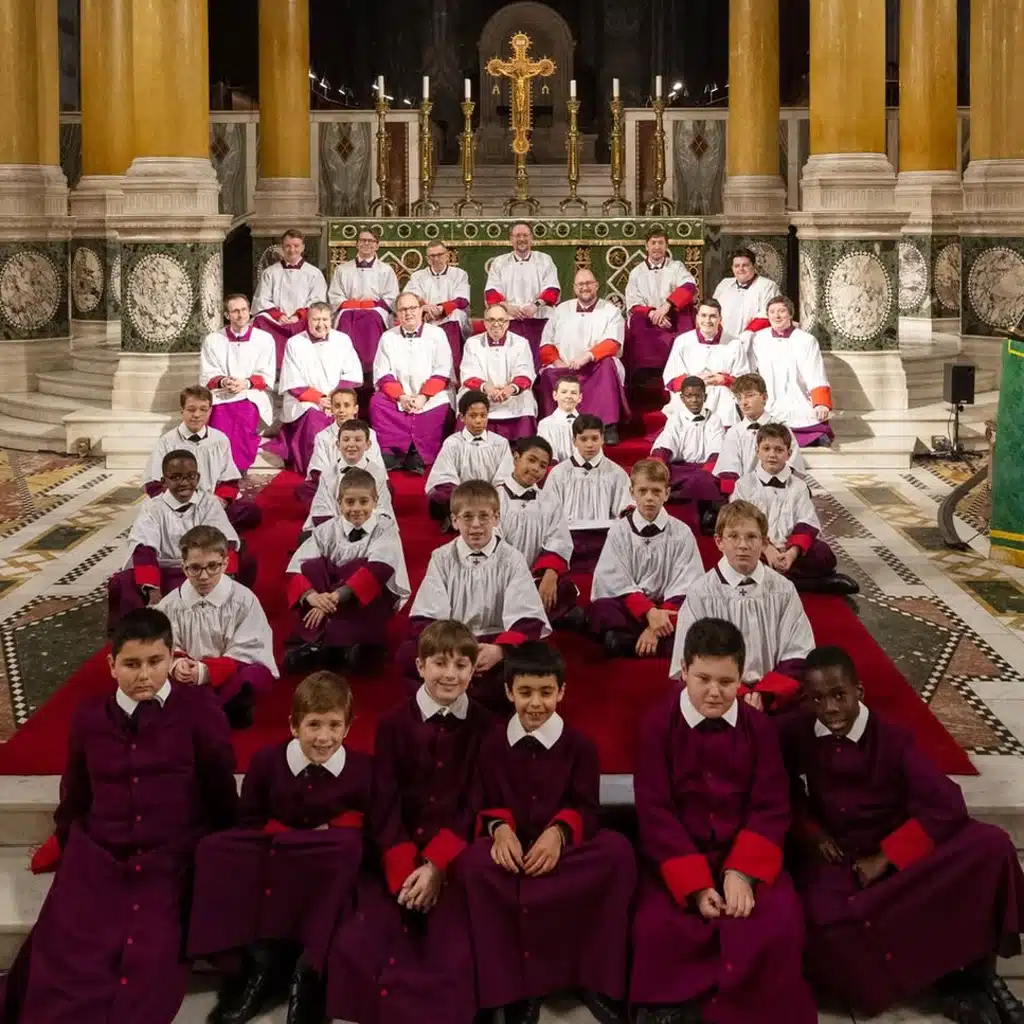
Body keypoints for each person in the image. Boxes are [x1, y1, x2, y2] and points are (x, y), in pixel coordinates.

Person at [1, 609, 237, 1024]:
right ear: (111, 665)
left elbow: (219, 787)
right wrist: (70, 843)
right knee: (70, 955)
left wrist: (217, 855)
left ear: (171, 658)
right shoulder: (90, 717)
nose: (144, 675)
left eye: (154, 661)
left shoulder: (199, 710)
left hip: (169, 860)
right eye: (131, 664)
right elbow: (76, 792)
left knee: (149, 961)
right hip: (100, 856)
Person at [784, 646, 1024, 1023]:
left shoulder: (893, 738)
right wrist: (812, 831)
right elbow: (778, 787)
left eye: (838, 695)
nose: (829, 708)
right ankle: (944, 981)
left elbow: (947, 804)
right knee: (821, 924)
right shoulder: (798, 732)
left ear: (859, 691)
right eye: (816, 698)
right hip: (840, 860)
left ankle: (979, 973)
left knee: (991, 845)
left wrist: (887, 856)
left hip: (895, 855)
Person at [630, 618, 818, 1024]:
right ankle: (674, 1006)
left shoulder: (760, 730)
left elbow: (771, 805)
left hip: (744, 851)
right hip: (679, 855)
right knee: (656, 926)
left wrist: (742, 872)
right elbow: (655, 810)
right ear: (683, 672)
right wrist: (695, 885)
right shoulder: (655, 727)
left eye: (726, 681)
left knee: (778, 921)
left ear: (741, 678)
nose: (714, 692)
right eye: (703, 679)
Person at [324, 620, 491, 1024]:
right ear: (420, 666)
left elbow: (476, 803)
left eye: (461, 665)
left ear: (474, 670)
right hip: (395, 853)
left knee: (450, 953)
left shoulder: (486, 727)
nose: (450, 674)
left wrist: (436, 865)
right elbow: (384, 800)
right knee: (359, 942)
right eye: (440, 663)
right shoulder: (394, 723)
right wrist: (403, 867)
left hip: (452, 858)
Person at [459, 643, 636, 1024]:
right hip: (512, 853)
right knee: (474, 864)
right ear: (508, 692)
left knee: (617, 851)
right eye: (525, 693)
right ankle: (511, 990)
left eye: (545, 692)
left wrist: (558, 833)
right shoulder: (491, 745)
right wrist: (500, 829)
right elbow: (482, 801)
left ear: (562, 692)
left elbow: (588, 808)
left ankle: (596, 981)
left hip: (562, 853)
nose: (535, 703)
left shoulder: (580, 746)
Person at [188, 672, 371, 1024]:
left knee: (347, 848)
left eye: (334, 725)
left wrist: (331, 830)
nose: (323, 737)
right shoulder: (267, 762)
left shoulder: (364, 770)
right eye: (314, 724)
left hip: (328, 860)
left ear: (349, 727)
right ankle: (258, 965)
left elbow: (370, 825)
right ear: (293, 725)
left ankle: (309, 972)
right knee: (215, 849)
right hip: (276, 853)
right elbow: (250, 820)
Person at [403, 480, 551, 710]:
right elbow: (426, 616)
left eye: (484, 516)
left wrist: (499, 650)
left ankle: (456, 695)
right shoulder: (441, 557)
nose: (476, 526)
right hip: (451, 643)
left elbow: (528, 617)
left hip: (496, 642)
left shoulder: (512, 559)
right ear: (454, 520)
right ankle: (468, 692)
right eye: (467, 517)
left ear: (496, 518)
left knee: (536, 660)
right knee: (406, 656)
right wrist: (457, 653)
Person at [668, 502, 814, 713]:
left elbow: (798, 652)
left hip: (772, 694)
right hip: (718, 693)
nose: (743, 545)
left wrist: (764, 694)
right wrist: (739, 694)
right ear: (719, 542)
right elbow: (692, 657)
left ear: (764, 542)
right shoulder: (701, 592)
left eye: (752, 537)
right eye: (733, 536)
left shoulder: (783, 589)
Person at [286, 467, 410, 674]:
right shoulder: (327, 529)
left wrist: (333, 598)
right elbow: (297, 567)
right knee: (313, 566)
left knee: (361, 568)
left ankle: (329, 645)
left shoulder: (385, 529)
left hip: (362, 601)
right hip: (326, 597)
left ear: (375, 501)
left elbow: (380, 569)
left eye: (364, 501)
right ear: (339, 502)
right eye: (349, 502)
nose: (357, 509)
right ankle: (332, 646)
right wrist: (313, 597)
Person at [156, 525, 278, 730]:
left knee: (254, 676)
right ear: (183, 567)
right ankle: (212, 712)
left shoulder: (243, 599)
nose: (204, 576)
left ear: (226, 564)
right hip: (186, 675)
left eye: (213, 566)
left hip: (228, 674)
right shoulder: (170, 605)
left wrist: (206, 671)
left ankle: (206, 711)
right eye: (195, 568)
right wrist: (177, 665)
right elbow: (161, 643)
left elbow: (251, 646)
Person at [107, 451, 245, 628]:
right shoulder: (153, 507)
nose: (185, 483)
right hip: (162, 569)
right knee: (123, 581)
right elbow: (143, 547)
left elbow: (225, 541)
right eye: (176, 477)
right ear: (164, 481)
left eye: (190, 476)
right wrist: (153, 590)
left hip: (199, 569)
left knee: (243, 560)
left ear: (198, 477)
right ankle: (135, 632)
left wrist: (224, 581)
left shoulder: (209, 503)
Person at [588, 459, 704, 659]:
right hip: (633, 608)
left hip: (667, 608)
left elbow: (686, 582)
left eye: (656, 491)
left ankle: (629, 642)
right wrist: (649, 613)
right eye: (643, 491)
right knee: (602, 610)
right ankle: (661, 644)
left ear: (666, 493)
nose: (649, 498)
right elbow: (615, 579)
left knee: (695, 614)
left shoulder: (681, 532)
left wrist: (654, 626)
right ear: (632, 493)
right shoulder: (619, 531)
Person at [732, 424, 857, 594]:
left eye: (778, 450)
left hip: (790, 548)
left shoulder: (799, 486)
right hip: (758, 548)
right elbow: (741, 523)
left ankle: (769, 580)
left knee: (823, 554)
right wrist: (767, 549)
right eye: (766, 448)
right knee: (738, 555)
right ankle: (810, 584)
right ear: (757, 451)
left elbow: (807, 521)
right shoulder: (744, 485)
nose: (772, 455)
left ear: (788, 454)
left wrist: (792, 553)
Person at [144, 385, 261, 532]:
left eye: (203, 409)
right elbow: (153, 484)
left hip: (212, 502)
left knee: (250, 512)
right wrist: (183, 504)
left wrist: (219, 501)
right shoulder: (167, 441)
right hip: (178, 505)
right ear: (182, 411)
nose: (197, 415)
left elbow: (229, 479)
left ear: (210, 411)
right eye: (191, 409)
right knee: (154, 518)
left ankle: (201, 525)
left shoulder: (220, 440)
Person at [263, 301, 362, 476]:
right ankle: (316, 470)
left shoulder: (343, 340)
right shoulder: (295, 343)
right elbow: (294, 381)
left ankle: (347, 464)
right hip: (307, 400)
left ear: (331, 320)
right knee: (313, 419)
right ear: (307, 321)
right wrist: (319, 399)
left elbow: (351, 373)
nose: (320, 324)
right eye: (316, 319)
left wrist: (334, 400)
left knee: (345, 414)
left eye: (324, 319)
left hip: (337, 398)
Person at [537, 268, 629, 444]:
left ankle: (607, 426)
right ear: (574, 288)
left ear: (596, 285)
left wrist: (587, 357)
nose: (584, 287)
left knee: (609, 365)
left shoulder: (610, 311)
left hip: (596, 366)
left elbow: (612, 343)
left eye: (588, 283)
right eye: (580, 284)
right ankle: (556, 428)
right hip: (564, 366)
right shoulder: (561, 310)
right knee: (548, 374)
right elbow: (546, 343)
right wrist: (558, 362)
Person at [498, 436, 580, 628]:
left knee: (564, 590)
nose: (536, 469)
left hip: (535, 576)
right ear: (516, 457)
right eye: (531, 460)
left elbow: (558, 540)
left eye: (543, 466)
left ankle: (525, 620)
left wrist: (550, 574)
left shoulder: (549, 501)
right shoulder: (494, 497)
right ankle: (531, 623)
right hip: (500, 578)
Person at [370, 291, 454, 473]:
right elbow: (383, 373)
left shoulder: (437, 334)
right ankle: (392, 453)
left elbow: (443, 370)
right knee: (377, 403)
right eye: (403, 309)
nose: (408, 313)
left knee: (441, 404)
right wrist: (401, 397)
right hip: (399, 396)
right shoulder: (388, 337)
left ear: (421, 309)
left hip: (429, 395)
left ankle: (418, 454)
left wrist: (423, 396)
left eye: (412, 308)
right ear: (397, 314)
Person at [542, 413, 632, 572]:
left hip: (603, 540)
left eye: (595, 438)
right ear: (574, 440)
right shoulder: (559, 473)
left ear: (603, 438)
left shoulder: (616, 473)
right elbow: (549, 512)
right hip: (567, 540)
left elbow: (625, 507)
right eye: (583, 439)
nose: (590, 445)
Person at [200, 294, 277, 474]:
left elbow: (266, 374)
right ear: (227, 315)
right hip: (222, 393)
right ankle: (219, 470)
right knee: (219, 422)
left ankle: (239, 469)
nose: (241, 315)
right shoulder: (213, 340)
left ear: (249, 310)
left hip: (252, 393)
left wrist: (246, 383)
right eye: (235, 311)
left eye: (244, 310)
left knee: (244, 417)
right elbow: (208, 374)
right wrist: (224, 381)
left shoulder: (264, 339)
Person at [750, 295, 834, 447]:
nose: (777, 315)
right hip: (769, 400)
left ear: (790, 313)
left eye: (781, 311)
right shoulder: (758, 339)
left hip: (797, 398)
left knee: (809, 428)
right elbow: (753, 371)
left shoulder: (806, 340)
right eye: (772, 312)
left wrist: (821, 403)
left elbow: (816, 373)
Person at [425, 390, 514, 528]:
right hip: (461, 498)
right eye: (473, 416)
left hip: (490, 498)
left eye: (483, 416)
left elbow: (504, 476)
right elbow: (444, 477)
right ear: (462, 417)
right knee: (441, 494)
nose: (478, 421)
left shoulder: (500, 443)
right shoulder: (453, 442)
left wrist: (489, 497)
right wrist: (465, 498)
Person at [651, 375, 726, 530]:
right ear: (682, 398)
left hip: (704, 468)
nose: (694, 400)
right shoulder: (675, 419)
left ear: (704, 397)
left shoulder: (714, 419)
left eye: (698, 396)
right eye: (689, 396)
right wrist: (660, 463)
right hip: (681, 467)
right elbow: (667, 441)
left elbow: (717, 448)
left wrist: (709, 467)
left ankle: (709, 513)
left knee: (706, 479)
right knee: (663, 476)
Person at [712, 373, 806, 495]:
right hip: (746, 493)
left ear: (764, 397)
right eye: (739, 398)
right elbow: (729, 470)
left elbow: (793, 466)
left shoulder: (782, 429)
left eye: (749, 396)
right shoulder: (734, 433)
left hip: (780, 490)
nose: (743, 402)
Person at [662, 297, 749, 427]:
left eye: (713, 316)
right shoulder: (683, 341)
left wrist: (724, 379)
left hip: (722, 396)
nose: (707, 320)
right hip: (691, 393)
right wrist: (695, 380)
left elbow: (744, 379)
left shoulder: (734, 343)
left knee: (723, 402)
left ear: (720, 319)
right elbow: (671, 379)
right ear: (697, 318)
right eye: (703, 315)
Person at [483, 222, 561, 365]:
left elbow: (552, 290)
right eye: (517, 236)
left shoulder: (545, 260)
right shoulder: (500, 262)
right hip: (510, 320)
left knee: (539, 360)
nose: (521, 239)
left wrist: (535, 305)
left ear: (531, 238)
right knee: (513, 361)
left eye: (525, 235)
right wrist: (507, 307)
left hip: (539, 318)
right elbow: (491, 292)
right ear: (511, 239)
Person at [458, 303, 537, 440]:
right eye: (491, 320)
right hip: (482, 394)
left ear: (507, 323)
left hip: (511, 395)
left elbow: (525, 372)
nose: (496, 324)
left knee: (527, 399)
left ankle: (521, 444)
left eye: (501, 320)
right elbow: (469, 374)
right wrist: (489, 389)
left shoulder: (521, 343)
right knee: (466, 396)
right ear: (484, 323)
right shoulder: (472, 343)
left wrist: (510, 389)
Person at [624, 227, 698, 373]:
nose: (657, 247)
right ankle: (645, 373)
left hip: (672, 315)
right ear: (646, 246)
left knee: (688, 313)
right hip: (648, 319)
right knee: (637, 322)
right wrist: (653, 314)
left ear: (666, 246)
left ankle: (685, 367)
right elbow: (633, 304)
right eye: (653, 243)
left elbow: (689, 286)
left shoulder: (676, 266)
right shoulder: (636, 272)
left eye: (660, 243)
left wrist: (667, 305)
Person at [251, 229, 329, 368]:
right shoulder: (270, 272)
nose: (292, 249)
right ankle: (271, 368)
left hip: (301, 319)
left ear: (303, 247)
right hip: (277, 321)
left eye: (296, 246)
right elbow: (262, 299)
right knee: (260, 321)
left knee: (316, 320)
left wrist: (298, 316)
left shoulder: (314, 273)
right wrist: (278, 315)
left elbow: (317, 301)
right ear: (282, 247)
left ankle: (305, 366)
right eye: (287, 246)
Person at [327, 228, 400, 372]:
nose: (366, 243)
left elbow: (391, 297)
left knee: (372, 319)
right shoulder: (342, 269)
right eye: (362, 240)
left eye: (371, 241)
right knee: (346, 319)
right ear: (357, 244)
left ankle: (371, 369)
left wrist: (369, 304)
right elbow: (335, 296)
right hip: (349, 312)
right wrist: (354, 304)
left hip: (376, 313)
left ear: (377, 245)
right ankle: (346, 368)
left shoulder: (386, 270)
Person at [303, 419, 393, 535]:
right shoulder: (328, 473)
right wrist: (342, 531)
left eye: (358, 440)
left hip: (367, 530)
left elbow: (383, 509)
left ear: (368, 445)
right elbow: (321, 508)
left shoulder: (377, 473)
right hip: (334, 531)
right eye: (346, 440)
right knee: (306, 538)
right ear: (338, 445)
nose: (351, 445)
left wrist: (359, 529)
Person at [298, 387, 383, 504]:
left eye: (347, 405)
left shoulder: (370, 434)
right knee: (305, 490)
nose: (341, 410)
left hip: (363, 484)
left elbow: (376, 465)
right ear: (331, 409)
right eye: (337, 406)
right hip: (334, 486)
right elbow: (318, 469)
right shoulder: (322, 436)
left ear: (355, 409)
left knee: (385, 489)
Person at [406, 242, 471, 369]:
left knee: (456, 313)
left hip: (450, 317)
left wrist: (441, 309)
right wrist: (424, 308)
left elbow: (462, 300)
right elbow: (410, 297)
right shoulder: (417, 276)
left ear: (447, 255)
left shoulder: (459, 274)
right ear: (427, 259)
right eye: (432, 256)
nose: (436, 259)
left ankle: (452, 372)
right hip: (426, 317)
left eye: (440, 255)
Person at [712, 247, 778, 342]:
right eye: (737, 266)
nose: (741, 269)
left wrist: (744, 339)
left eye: (745, 265)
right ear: (732, 268)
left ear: (754, 266)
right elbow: (713, 310)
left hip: (753, 342)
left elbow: (767, 316)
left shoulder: (767, 286)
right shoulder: (724, 284)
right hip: (723, 342)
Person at [536, 374, 582, 463]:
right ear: (555, 395)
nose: (569, 396)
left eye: (573, 393)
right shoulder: (546, 424)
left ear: (580, 397)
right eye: (564, 392)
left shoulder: (588, 424)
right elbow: (548, 457)